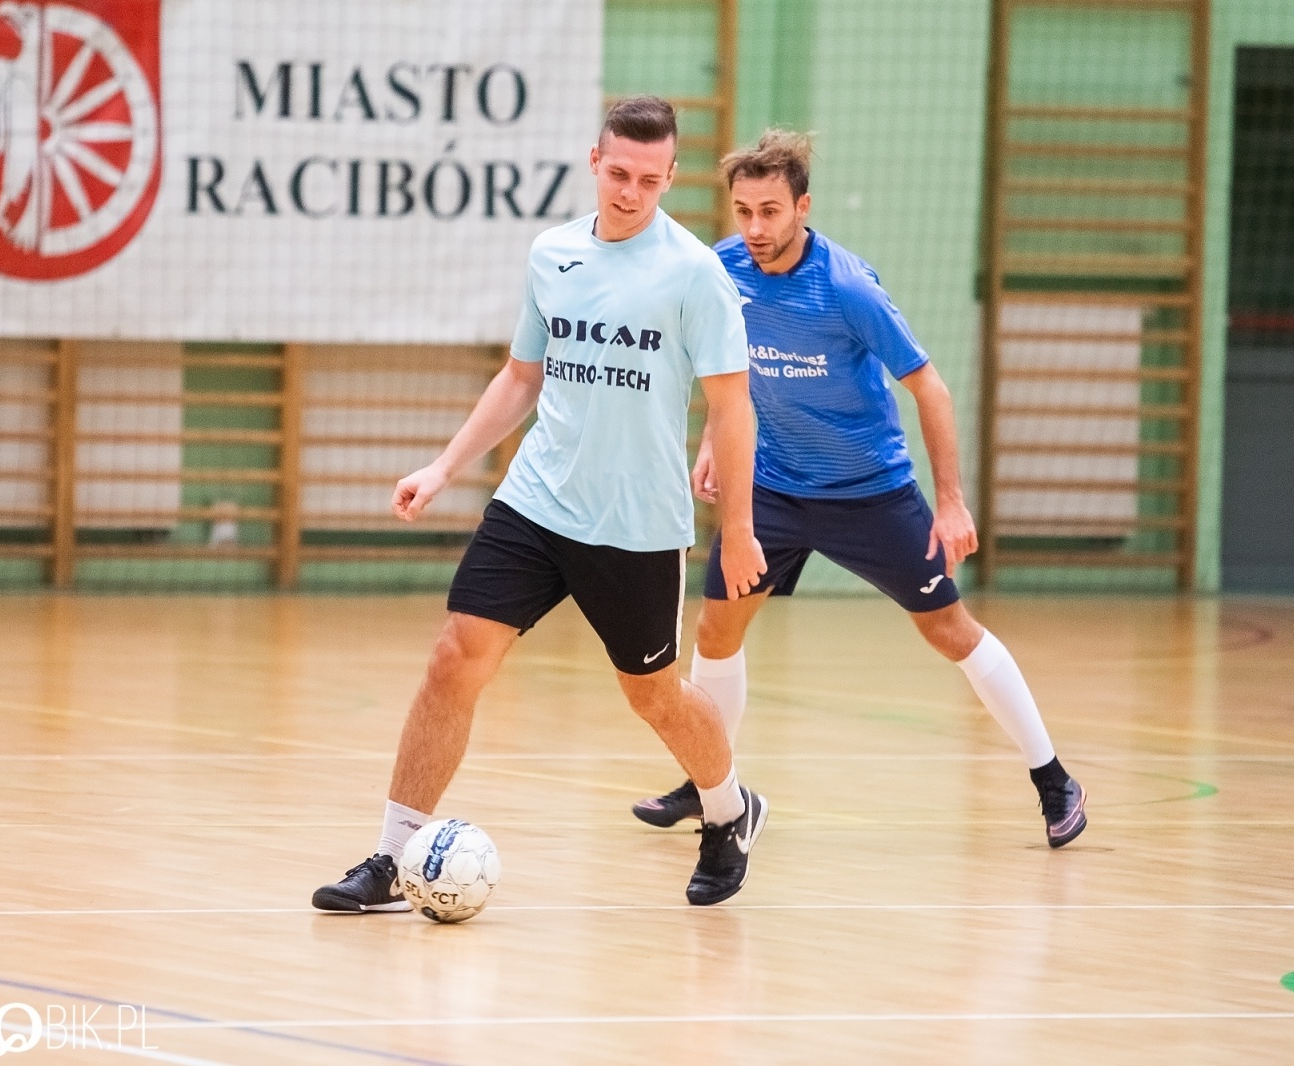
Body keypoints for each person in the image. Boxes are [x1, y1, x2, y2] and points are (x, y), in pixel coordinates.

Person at [312, 97, 771, 913]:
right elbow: (522, 376)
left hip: (633, 523)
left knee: (652, 693)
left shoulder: (696, 274)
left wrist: (736, 530)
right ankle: (390, 857)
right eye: (618, 173)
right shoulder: (553, 252)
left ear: (670, 178)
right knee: (455, 657)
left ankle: (730, 809)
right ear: (595, 163)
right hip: (536, 502)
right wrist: (447, 466)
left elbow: (733, 410)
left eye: (649, 179)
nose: (630, 191)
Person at [630, 130, 1086, 847]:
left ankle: (1053, 778)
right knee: (717, 631)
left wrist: (953, 501)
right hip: (773, 489)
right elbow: (726, 377)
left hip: (869, 491)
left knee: (947, 630)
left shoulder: (844, 287)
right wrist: (715, 449)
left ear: (803, 207)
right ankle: (709, 781)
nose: (755, 228)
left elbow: (929, 388)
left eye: (771, 211)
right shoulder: (722, 270)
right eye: (744, 210)